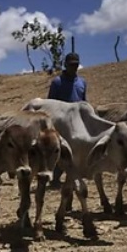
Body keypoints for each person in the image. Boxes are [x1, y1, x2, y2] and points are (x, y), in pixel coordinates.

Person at [48, 52, 86, 186]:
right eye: (71, 65)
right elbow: (50, 103)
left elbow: (84, 102)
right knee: (61, 148)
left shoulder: (82, 82)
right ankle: (55, 178)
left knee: (76, 148)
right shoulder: (57, 82)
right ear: (65, 65)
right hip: (61, 122)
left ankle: (74, 175)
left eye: (76, 65)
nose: (74, 68)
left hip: (78, 121)